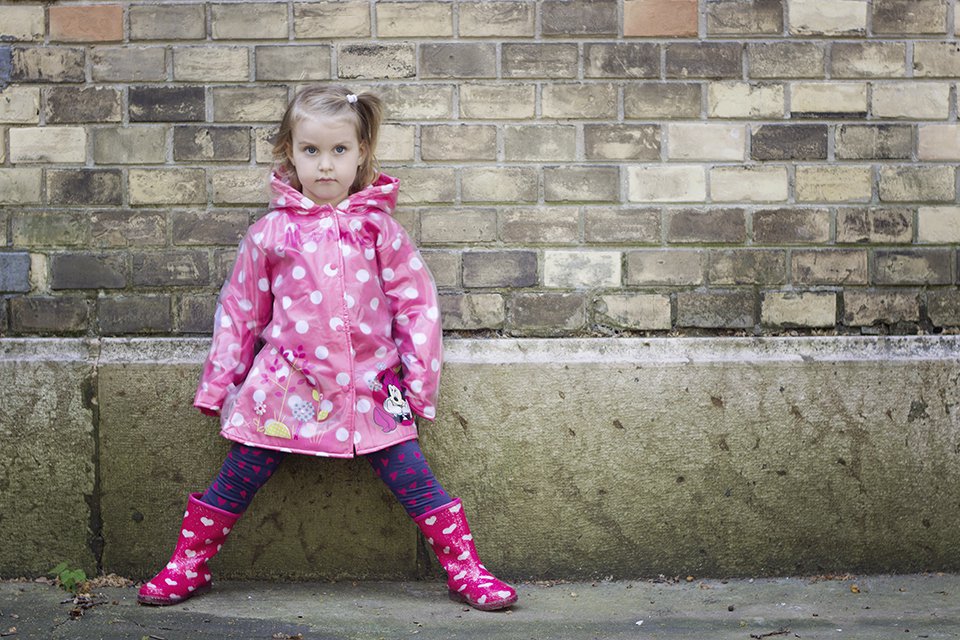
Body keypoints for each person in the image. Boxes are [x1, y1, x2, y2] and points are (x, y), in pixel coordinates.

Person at [136, 85, 518, 612]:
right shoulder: (270, 233)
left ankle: (464, 569)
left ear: (361, 153)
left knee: (413, 473)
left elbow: (417, 308)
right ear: (289, 153)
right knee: (241, 469)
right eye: (310, 150)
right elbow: (241, 312)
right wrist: (219, 385)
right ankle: (188, 564)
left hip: (372, 384)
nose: (325, 165)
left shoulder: (378, 230)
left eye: (339, 150)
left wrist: (417, 385)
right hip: (285, 385)